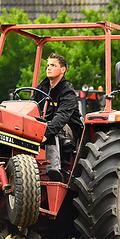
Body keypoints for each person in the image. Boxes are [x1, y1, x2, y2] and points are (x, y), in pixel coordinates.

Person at [35, 53, 84, 181]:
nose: (48, 68)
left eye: (53, 65)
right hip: (45, 125)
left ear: (63, 70)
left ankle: (53, 171)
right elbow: (32, 106)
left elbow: (62, 117)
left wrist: (46, 132)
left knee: (53, 129)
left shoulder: (67, 91)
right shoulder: (42, 88)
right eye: (47, 65)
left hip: (68, 129)